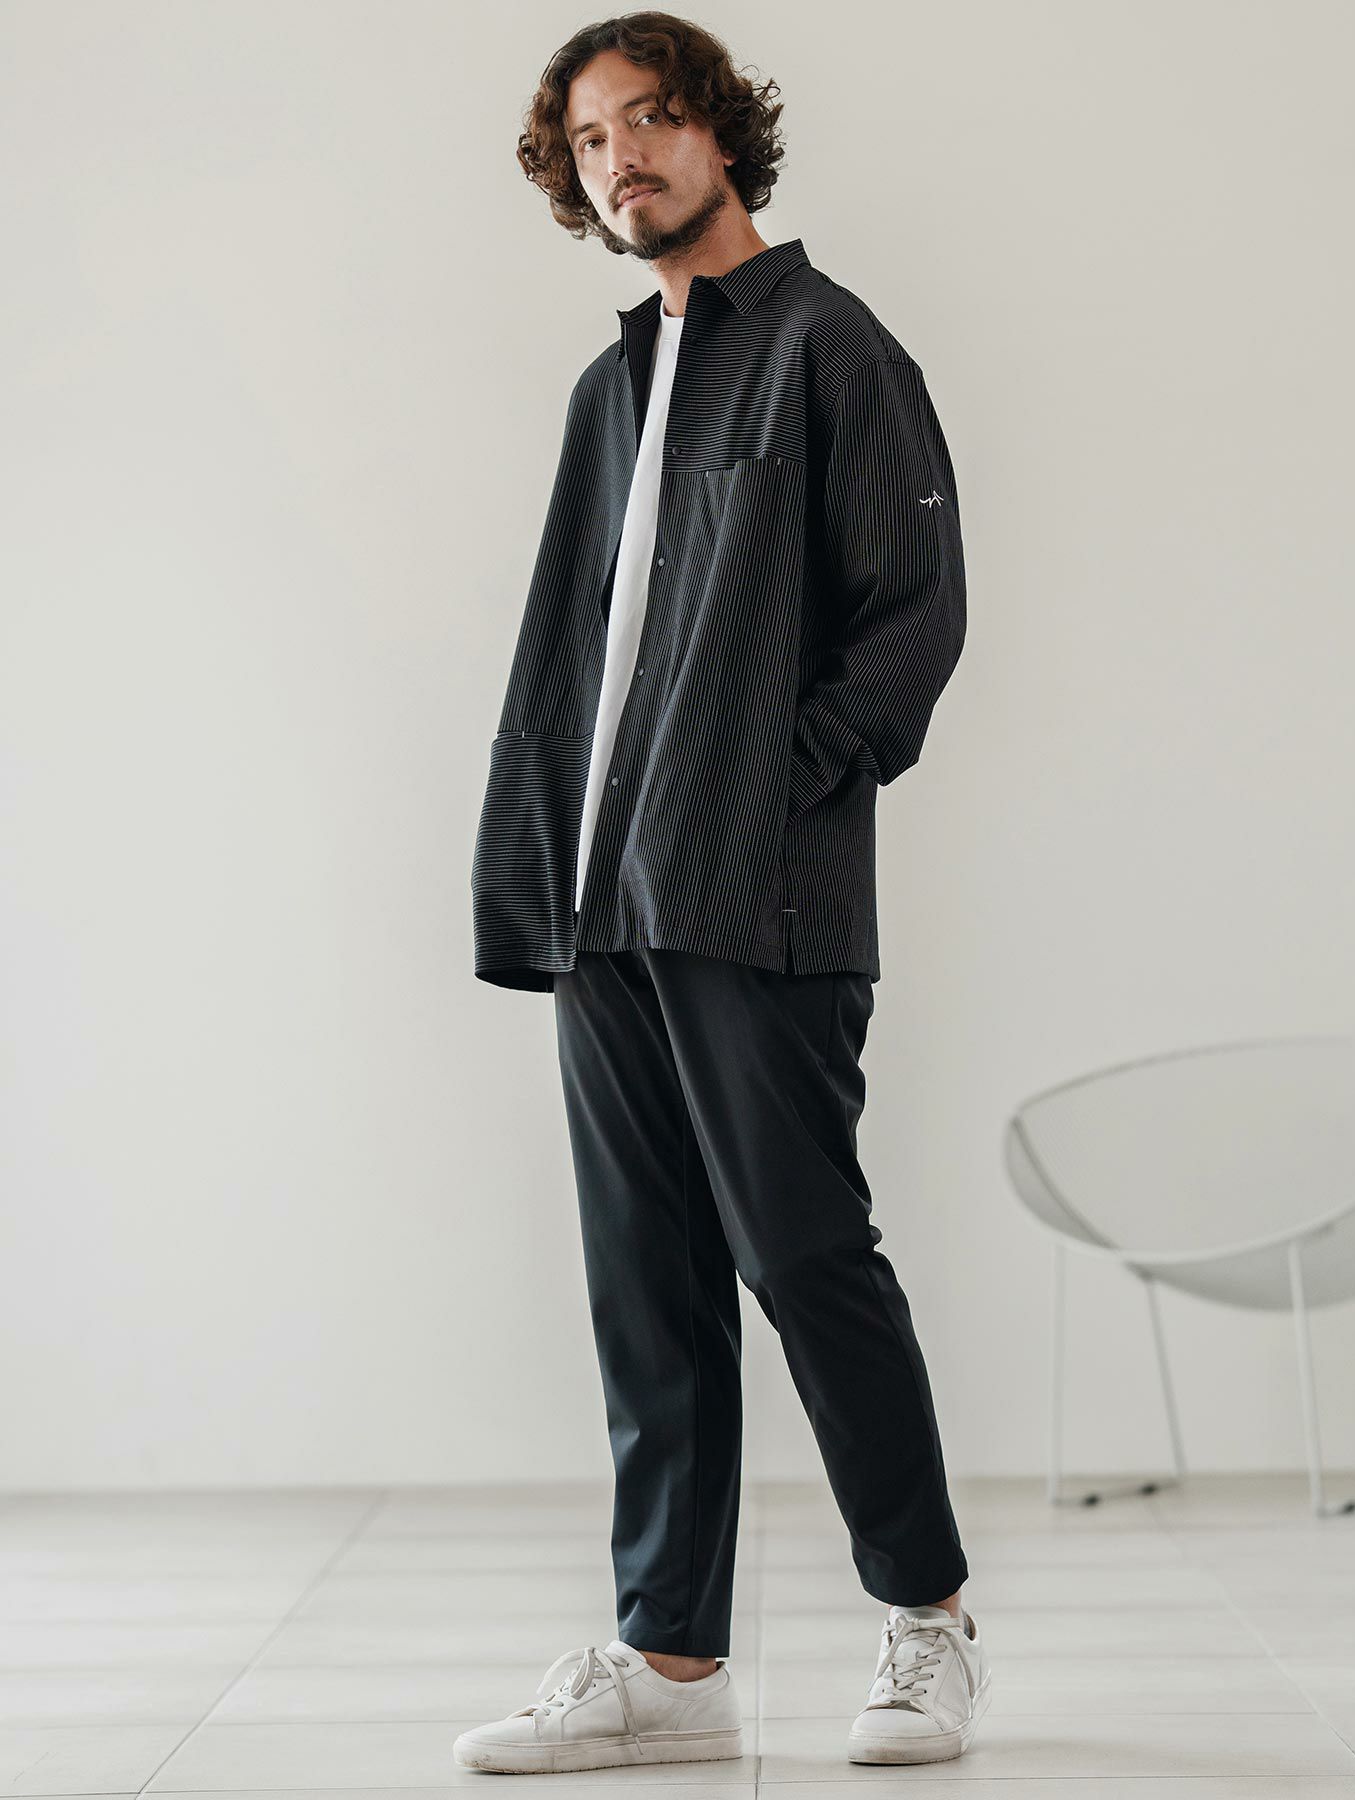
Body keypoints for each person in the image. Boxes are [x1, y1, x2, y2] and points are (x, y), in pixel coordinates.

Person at [457, 9, 986, 1777]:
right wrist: (548, 866)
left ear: (719, 132)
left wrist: (775, 792)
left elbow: (910, 620)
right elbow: (576, 657)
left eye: (649, 120)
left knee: (804, 1256)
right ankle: (671, 1660)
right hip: (604, 899)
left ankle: (931, 1621)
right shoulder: (610, 392)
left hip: (758, 896)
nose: (621, 158)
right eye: (590, 141)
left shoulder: (831, 346)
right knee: (646, 1280)